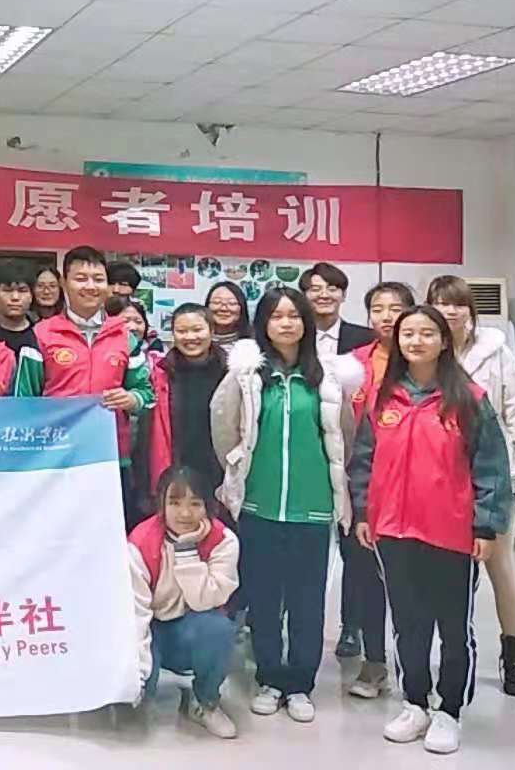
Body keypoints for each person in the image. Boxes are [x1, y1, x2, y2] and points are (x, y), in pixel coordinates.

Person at [348, 306, 512, 755]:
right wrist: (363, 513)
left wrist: (486, 525)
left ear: (443, 341)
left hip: (451, 534)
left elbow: (492, 467)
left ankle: (450, 710)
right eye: (408, 334)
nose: (416, 341)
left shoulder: (469, 399)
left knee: (453, 628)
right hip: (393, 531)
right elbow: (363, 461)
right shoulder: (383, 398)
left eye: (426, 333)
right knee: (408, 623)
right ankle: (416, 703)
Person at [210, 286, 353, 724]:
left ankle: (301, 683)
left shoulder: (326, 377)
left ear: (306, 323)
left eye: (294, 315)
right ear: (264, 324)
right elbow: (223, 425)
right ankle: (270, 678)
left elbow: (343, 437)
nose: (286, 323)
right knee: (265, 599)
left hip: (313, 507)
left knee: (308, 601)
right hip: (260, 505)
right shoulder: (246, 375)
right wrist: (237, 472)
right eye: (277, 316)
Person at [426, 275, 515, 697]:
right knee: (446, 575)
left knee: (499, 567)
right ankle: (449, 656)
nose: (450, 311)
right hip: (440, 478)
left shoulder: (495, 352)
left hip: (491, 475)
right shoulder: (424, 353)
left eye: (457, 303)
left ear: (470, 311)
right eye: (441, 303)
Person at [14, 246, 154, 519]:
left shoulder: (125, 337)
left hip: (111, 457)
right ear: (64, 283)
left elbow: (146, 394)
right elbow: (23, 402)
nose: (90, 286)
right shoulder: (41, 335)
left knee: (107, 530)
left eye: (98, 279)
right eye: (81, 278)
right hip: (55, 459)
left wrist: (131, 399)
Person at [335, 281, 416, 694]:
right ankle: (374, 661)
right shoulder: (352, 364)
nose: (386, 316)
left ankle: (415, 666)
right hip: (363, 480)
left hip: (415, 485)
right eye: (378, 309)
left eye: (395, 308)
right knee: (365, 573)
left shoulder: (423, 360)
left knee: (410, 579)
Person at [130, 466, 240, 740]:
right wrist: (141, 674)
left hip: (192, 627)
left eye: (195, 504)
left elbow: (205, 601)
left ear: (208, 506)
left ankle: (205, 702)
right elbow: (135, 614)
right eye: (175, 503)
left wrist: (187, 550)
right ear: (161, 504)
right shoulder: (140, 542)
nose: (185, 513)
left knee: (219, 629)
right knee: (136, 697)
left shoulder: (224, 541)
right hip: (150, 629)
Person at [145, 305, 227, 510]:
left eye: (197, 330)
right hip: (176, 467)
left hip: (221, 470)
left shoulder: (230, 372)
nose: (190, 337)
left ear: (212, 330)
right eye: (182, 331)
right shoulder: (160, 373)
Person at [299, 262, 374, 360]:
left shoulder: (367, 338)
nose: (324, 295)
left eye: (332, 289)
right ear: (303, 296)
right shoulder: (295, 337)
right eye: (316, 289)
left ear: (344, 295)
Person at [0, 260, 39, 357]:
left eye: (22, 291)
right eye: (8, 290)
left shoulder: (42, 333)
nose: (15, 297)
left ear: (32, 295)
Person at [205, 281, 251, 351]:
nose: (223, 309)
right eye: (217, 302)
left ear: (242, 308)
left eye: (232, 303)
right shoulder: (197, 339)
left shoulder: (255, 342)